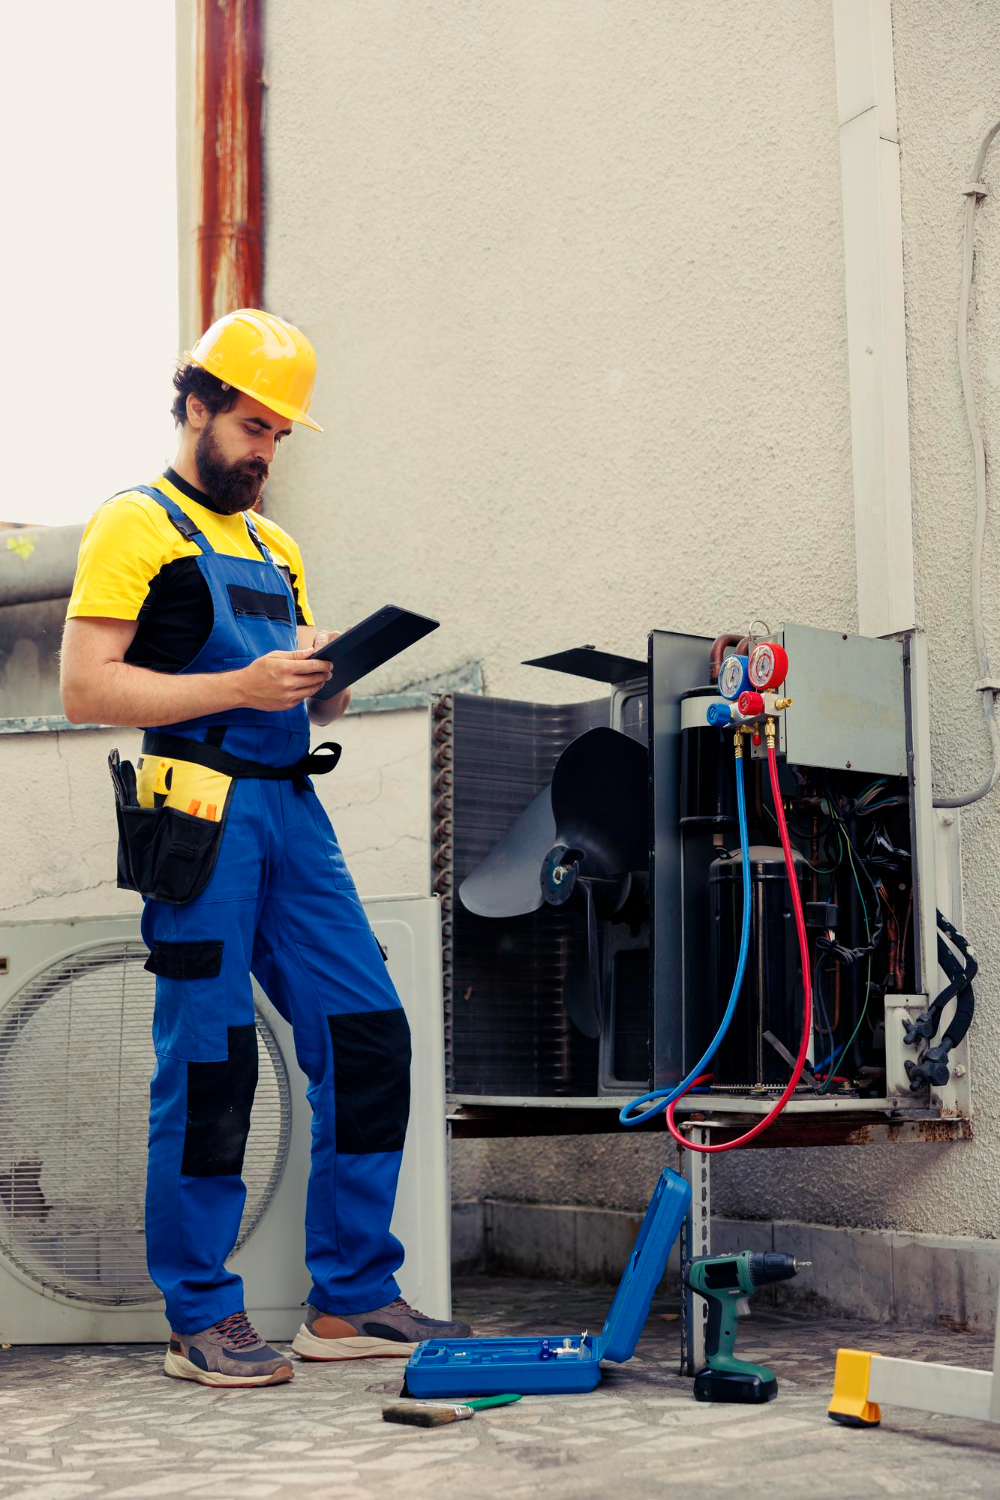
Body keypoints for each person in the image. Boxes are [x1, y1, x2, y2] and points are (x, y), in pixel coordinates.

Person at [61, 309, 469, 1388]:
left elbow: (300, 687)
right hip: (197, 814)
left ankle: (350, 1298)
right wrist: (239, 687)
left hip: (294, 812)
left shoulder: (275, 543)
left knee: (371, 1038)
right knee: (211, 1064)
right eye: (251, 426)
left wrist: (325, 677)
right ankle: (199, 1316)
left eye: (280, 435)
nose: (264, 451)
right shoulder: (132, 525)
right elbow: (87, 686)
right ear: (194, 405)